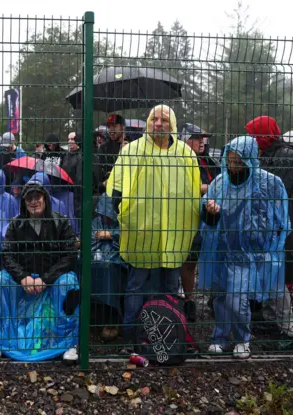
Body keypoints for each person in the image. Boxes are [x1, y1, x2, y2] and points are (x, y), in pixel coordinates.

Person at [106, 104, 201, 349]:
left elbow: (193, 193)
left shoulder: (186, 154)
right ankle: (131, 338)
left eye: (164, 120)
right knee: (136, 285)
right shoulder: (132, 151)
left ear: (173, 125)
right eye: (154, 119)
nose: (158, 124)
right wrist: (126, 214)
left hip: (174, 234)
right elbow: (116, 188)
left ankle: (166, 336)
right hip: (141, 233)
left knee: (169, 286)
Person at [199, 136, 290, 359]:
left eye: (239, 162)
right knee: (220, 297)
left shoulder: (269, 183)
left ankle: (242, 339)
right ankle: (219, 337)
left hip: (248, 252)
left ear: (250, 159)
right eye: (230, 161)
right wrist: (210, 211)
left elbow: (281, 218)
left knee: (236, 298)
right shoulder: (220, 182)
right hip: (222, 249)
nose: (233, 166)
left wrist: (270, 246)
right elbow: (206, 218)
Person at [0, 179, 79, 363]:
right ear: (23, 202)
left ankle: (68, 343)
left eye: (37, 197)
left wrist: (46, 279)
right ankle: (0, 341)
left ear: (45, 199)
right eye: (29, 198)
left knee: (69, 282)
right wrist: (23, 277)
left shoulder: (60, 222)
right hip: (25, 281)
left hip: (51, 281)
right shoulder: (15, 224)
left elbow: (69, 255)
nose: (33, 202)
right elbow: (7, 255)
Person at [246, 115, 293, 350]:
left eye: (254, 135)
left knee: (277, 279)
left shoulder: (284, 157)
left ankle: (286, 334)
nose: (251, 140)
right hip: (274, 226)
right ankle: (271, 321)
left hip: (282, 228)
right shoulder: (274, 154)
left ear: (264, 136)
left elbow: (275, 192)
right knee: (270, 275)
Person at [179, 123, 221, 321]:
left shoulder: (208, 160)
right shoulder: (180, 160)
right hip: (190, 218)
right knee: (189, 261)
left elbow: (221, 180)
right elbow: (187, 188)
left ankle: (216, 300)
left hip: (212, 218)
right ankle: (189, 301)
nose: (201, 142)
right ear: (184, 140)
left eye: (203, 138)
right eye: (196, 138)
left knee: (214, 258)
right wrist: (211, 188)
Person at [91, 194, 125, 342]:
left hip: (117, 263)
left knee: (112, 273)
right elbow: (90, 239)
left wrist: (109, 235)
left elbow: (126, 239)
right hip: (97, 261)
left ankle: (112, 319)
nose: (105, 218)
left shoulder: (122, 222)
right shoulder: (96, 222)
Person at [95, 115, 126, 194]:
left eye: (114, 126)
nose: (111, 129)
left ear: (122, 127)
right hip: (109, 191)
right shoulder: (104, 147)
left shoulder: (132, 144)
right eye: (109, 126)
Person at [60, 132, 83, 219]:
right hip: (65, 192)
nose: (70, 141)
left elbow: (79, 178)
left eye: (72, 139)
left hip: (75, 194)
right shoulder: (66, 156)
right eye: (68, 139)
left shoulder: (80, 156)